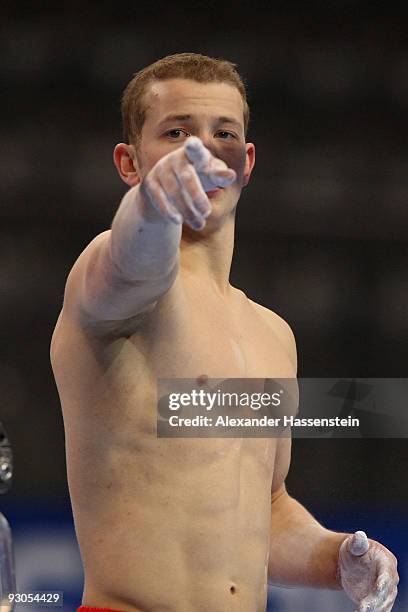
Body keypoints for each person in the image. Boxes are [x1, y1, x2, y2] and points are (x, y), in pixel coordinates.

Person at [50, 53, 399, 612]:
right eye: (177, 133)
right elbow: (132, 259)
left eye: (224, 134)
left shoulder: (271, 334)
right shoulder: (118, 283)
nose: (202, 151)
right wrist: (152, 203)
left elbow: (264, 505)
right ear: (129, 163)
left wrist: (334, 558)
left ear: (247, 160)